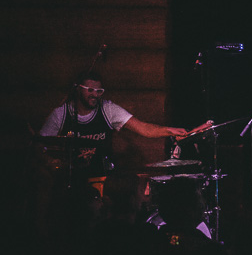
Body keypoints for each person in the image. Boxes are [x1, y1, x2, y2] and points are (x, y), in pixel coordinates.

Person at [39, 70, 189, 188]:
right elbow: (41, 144)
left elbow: (144, 128)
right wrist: (53, 165)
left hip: (102, 178)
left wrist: (170, 131)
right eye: (90, 90)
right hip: (70, 179)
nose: (95, 95)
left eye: (99, 91)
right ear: (78, 89)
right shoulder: (61, 114)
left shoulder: (108, 109)